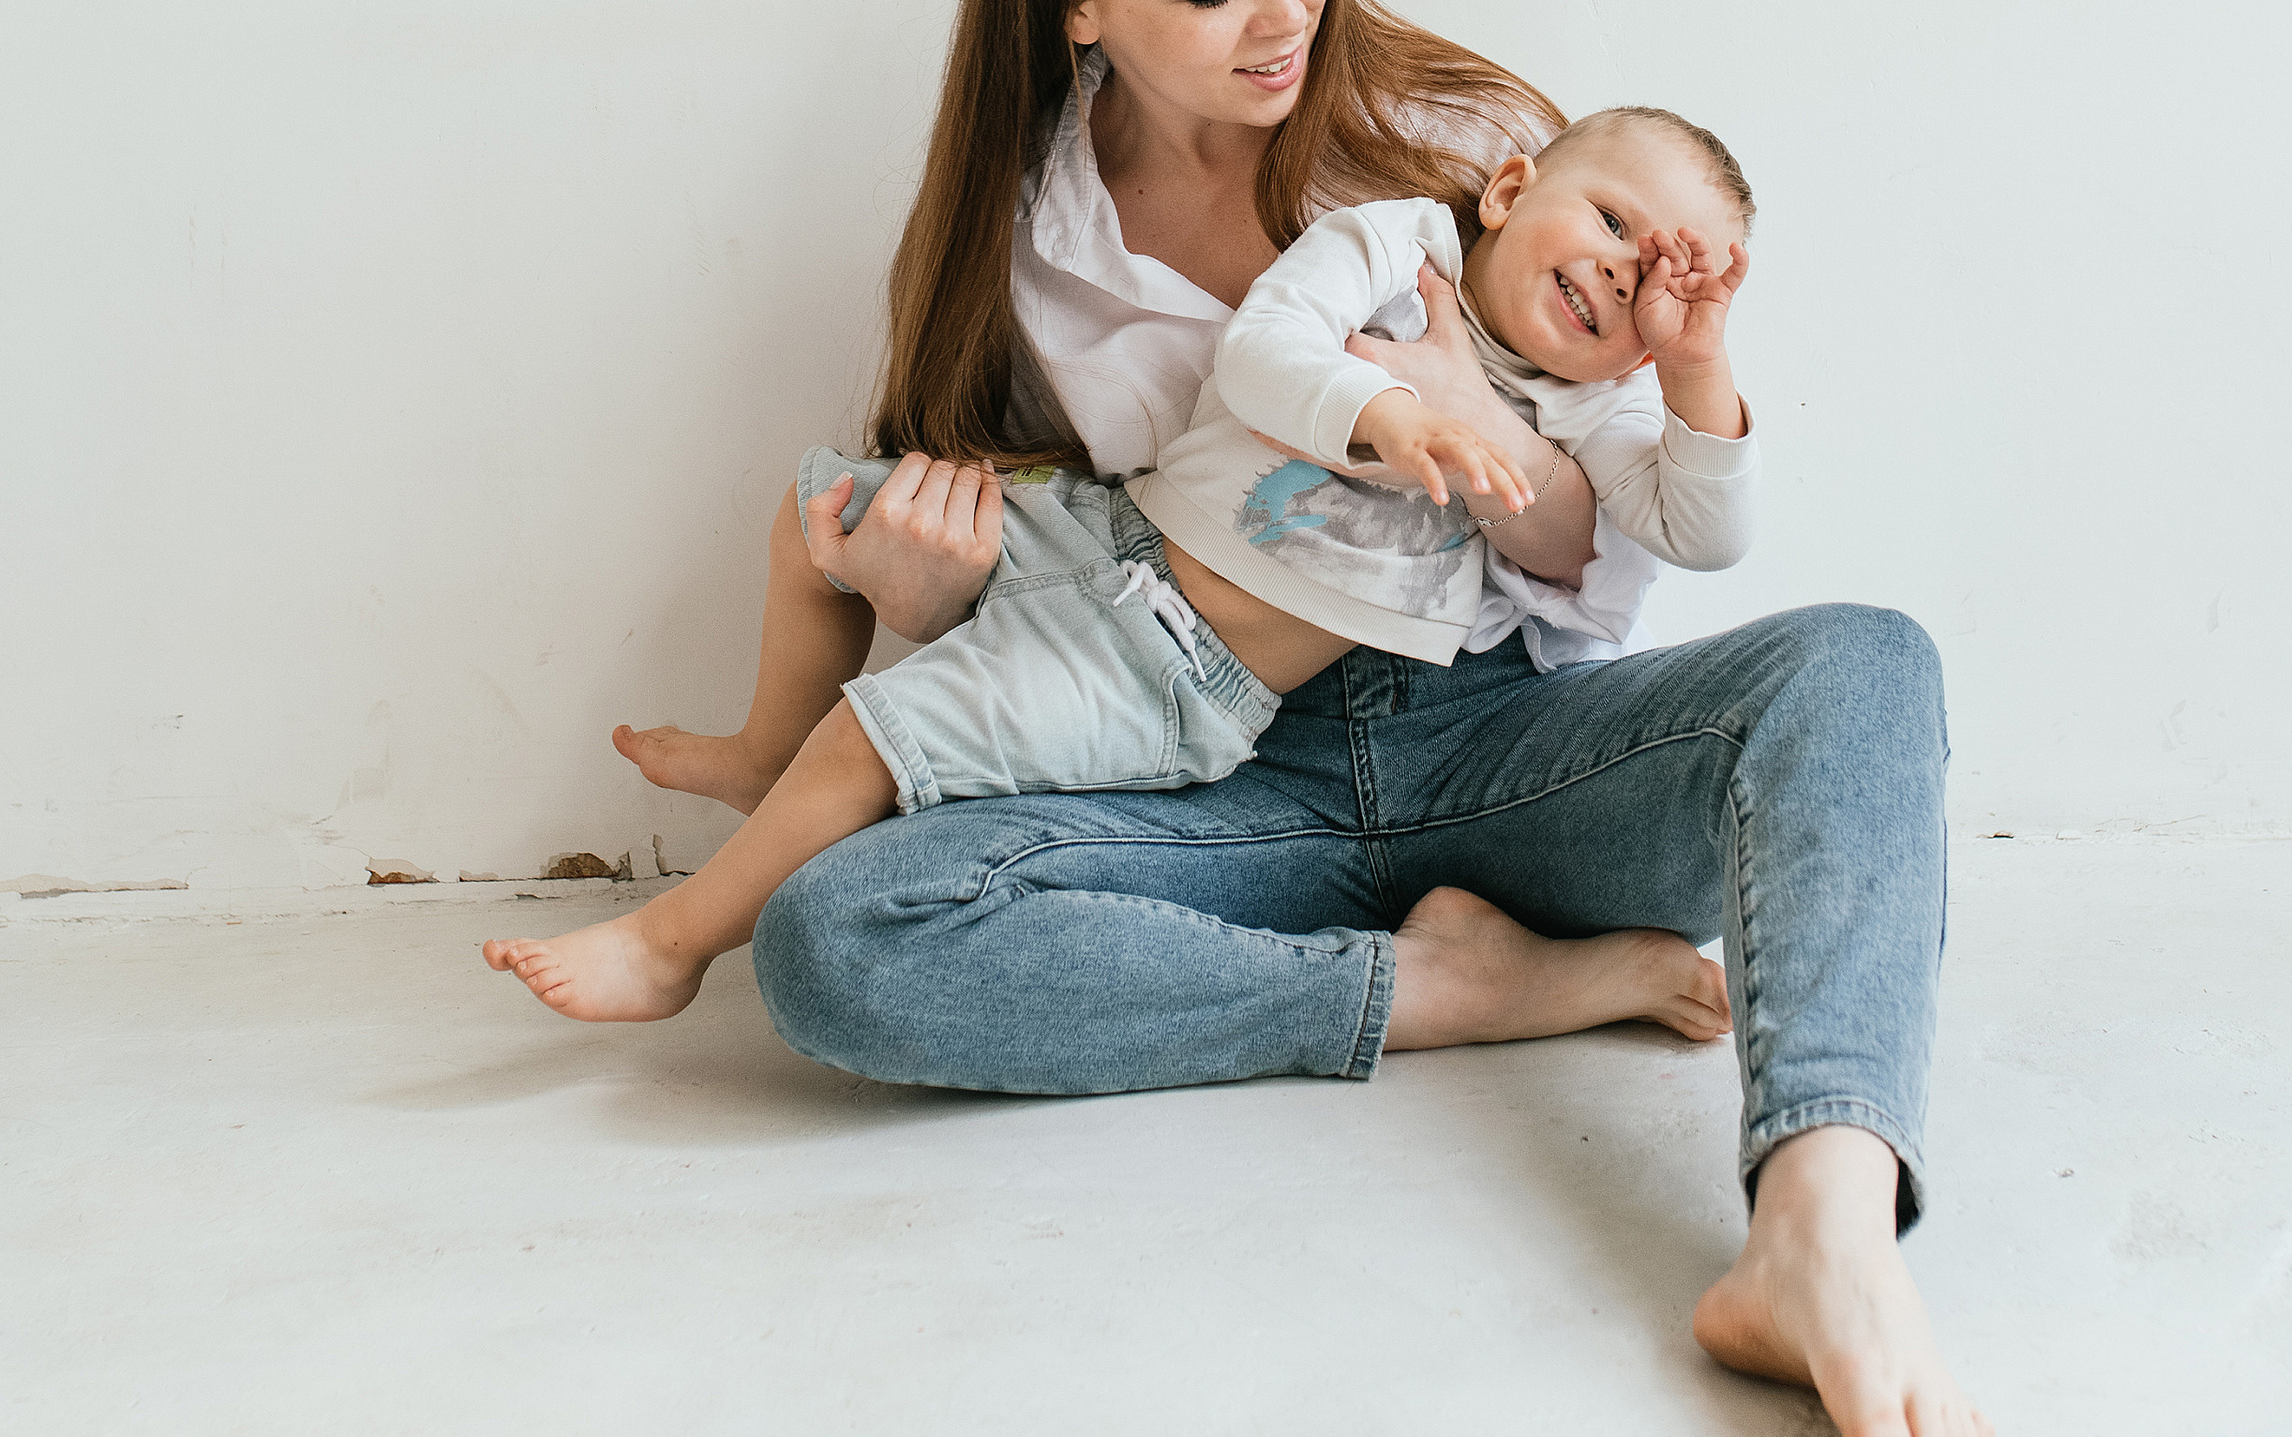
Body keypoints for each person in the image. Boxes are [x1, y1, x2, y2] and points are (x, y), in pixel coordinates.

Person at [509, 0, 1989, 1437]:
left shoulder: (1471, 152)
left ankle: (1820, 1231)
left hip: (1495, 744)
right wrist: (923, 592)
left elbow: (1621, 566)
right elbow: (1035, 629)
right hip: (1203, 769)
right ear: (1081, 9)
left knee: (1865, 665)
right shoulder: (1021, 244)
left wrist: (1501, 405)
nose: (1283, 14)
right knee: (836, 946)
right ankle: (1441, 990)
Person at [483, 104, 1759, 1022]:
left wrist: (1695, 365)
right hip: (1112, 531)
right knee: (821, 509)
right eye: (1609, 219)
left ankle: (672, 944)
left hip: (1174, 670)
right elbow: (1263, 353)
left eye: (1656, 283)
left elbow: (1703, 534)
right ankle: (772, 750)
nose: (1616, 268)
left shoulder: (1597, 417)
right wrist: (1389, 416)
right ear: (1510, 187)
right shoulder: (1391, 247)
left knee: (885, 738)